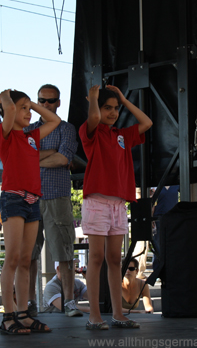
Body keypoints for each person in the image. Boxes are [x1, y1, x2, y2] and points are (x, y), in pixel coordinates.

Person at [79, 85, 152, 330]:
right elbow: (94, 118)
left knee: (115, 259)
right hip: (97, 202)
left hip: (118, 205)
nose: (112, 112)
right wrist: (93, 100)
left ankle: (118, 314)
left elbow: (147, 122)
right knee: (96, 257)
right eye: (107, 108)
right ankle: (94, 315)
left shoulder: (123, 135)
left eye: (115, 108)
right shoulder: (91, 131)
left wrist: (123, 98)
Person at [0, 89, 61, 335]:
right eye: (24, 108)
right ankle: (8, 316)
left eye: (29, 108)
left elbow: (55, 121)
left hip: (33, 201)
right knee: (12, 258)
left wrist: (31, 103)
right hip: (13, 198)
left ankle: (23, 313)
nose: (28, 112)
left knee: (26, 259)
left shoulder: (32, 136)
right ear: (8, 110)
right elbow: (9, 111)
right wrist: (6, 99)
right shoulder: (4, 133)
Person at [25, 84, 79, 317]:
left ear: (59, 102)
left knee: (64, 253)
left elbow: (64, 157)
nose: (45, 105)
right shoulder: (28, 129)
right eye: (41, 101)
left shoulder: (67, 129)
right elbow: (53, 157)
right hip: (28, 197)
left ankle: (69, 303)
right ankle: (30, 303)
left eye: (50, 101)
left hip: (57, 195)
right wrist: (50, 154)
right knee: (29, 255)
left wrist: (32, 159)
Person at [151, 185, 179, 272]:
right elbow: (152, 203)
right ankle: (157, 269)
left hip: (173, 217)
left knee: (172, 243)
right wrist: (151, 218)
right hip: (159, 218)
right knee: (158, 243)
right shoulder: (157, 185)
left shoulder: (176, 185)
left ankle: (171, 268)